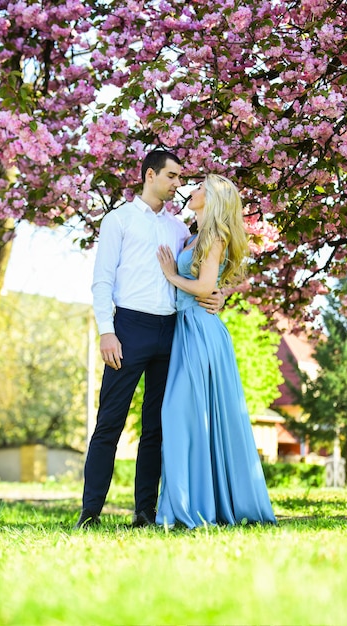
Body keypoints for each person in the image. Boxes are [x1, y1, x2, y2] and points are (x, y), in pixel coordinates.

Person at [74, 150, 223, 529]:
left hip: (171, 332)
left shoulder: (178, 230)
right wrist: (106, 331)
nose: (178, 184)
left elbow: (201, 273)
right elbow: (102, 281)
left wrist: (220, 294)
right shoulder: (118, 220)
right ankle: (90, 513)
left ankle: (145, 513)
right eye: (172, 176)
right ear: (150, 175)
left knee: (156, 427)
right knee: (110, 422)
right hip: (128, 330)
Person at [155, 174, 277, 529]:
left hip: (200, 331)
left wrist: (170, 275)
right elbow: (212, 286)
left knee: (179, 414)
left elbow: (206, 285)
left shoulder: (216, 237)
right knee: (188, 418)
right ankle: (191, 504)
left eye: (198, 188)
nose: (190, 191)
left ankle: (190, 507)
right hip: (188, 329)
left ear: (211, 199)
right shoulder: (192, 236)